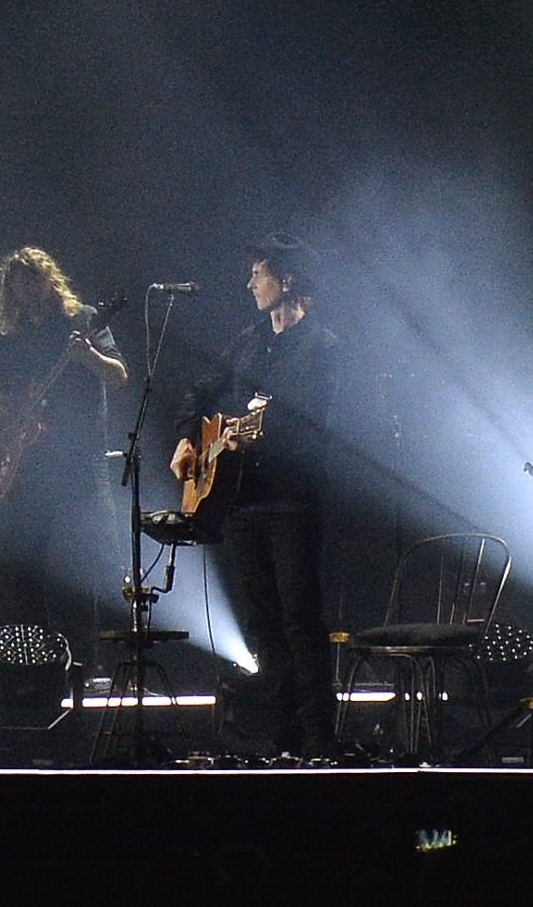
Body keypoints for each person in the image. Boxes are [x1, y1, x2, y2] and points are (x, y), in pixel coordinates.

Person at [170, 235, 340, 758]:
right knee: (261, 621)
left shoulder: (322, 348)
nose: (249, 284)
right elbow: (197, 392)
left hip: (291, 502)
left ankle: (318, 738)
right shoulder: (246, 342)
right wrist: (187, 437)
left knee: (300, 618)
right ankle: (281, 732)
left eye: (258, 274)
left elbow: (315, 426)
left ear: (286, 280)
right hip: (242, 501)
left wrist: (261, 437)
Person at [0, 246, 126, 668]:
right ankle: (35, 664)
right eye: (17, 284)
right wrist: (9, 407)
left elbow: (119, 375)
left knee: (84, 560)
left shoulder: (83, 320)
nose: (26, 290)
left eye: (33, 279)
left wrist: (88, 356)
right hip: (29, 463)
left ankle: (86, 664)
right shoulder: (7, 337)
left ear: (49, 279)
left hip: (80, 459)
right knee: (29, 565)